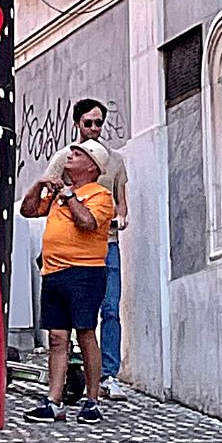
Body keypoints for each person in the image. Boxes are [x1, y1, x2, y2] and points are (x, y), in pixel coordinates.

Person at [20, 140, 115, 424]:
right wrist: (39, 186)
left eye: (77, 154)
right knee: (57, 337)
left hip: (85, 273)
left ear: (91, 164)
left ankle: (92, 400)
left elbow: (87, 222)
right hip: (54, 271)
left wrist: (69, 195)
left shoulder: (100, 195)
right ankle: (54, 400)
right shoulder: (59, 194)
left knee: (85, 333)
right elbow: (28, 210)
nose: (69, 157)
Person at [45, 99, 129, 400]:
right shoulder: (65, 158)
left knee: (110, 308)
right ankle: (65, 376)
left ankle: (109, 375)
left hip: (106, 244)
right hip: (69, 250)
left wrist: (119, 218)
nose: (94, 128)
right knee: (70, 323)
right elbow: (48, 191)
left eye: (98, 123)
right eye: (88, 123)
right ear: (77, 124)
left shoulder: (115, 161)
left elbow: (122, 202)